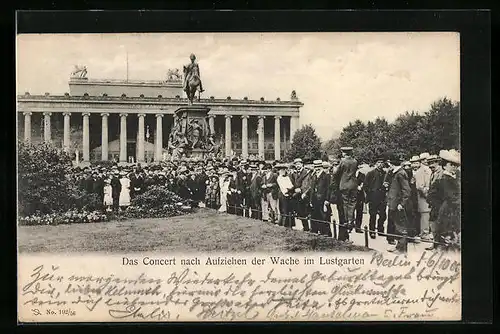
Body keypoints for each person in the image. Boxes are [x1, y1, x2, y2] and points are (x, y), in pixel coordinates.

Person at [432, 149, 461, 250]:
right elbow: (452, 197)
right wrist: (440, 207)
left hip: (452, 211)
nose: (454, 167)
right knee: (447, 238)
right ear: (445, 165)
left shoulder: (454, 178)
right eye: (452, 164)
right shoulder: (444, 179)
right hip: (448, 212)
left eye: (456, 165)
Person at [386, 157, 412, 253]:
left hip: (398, 205)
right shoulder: (397, 173)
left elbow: (407, 190)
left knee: (400, 226)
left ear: (392, 164)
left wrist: (402, 203)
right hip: (394, 203)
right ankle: (399, 246)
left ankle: (402, 249)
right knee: (397, 225)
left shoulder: (400, 173)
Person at [336, 146, 358, 241]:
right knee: (352, 203)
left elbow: (337, 173)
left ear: (344, 153)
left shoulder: (343, 161)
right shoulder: (355, 161)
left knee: (345, 203)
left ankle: (346, 220)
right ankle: (351, 220)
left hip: (344, 185)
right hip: (353, 185)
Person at [363, 157, 388, 239]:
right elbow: (365, 186)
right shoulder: (370, 173)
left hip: (382, 197)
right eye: (378, 162)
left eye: (382, 162)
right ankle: (372, 231)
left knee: (383, 215)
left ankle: (380, 230)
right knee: (373, 215)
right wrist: (370, 193)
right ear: (375, 164)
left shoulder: (385, 173)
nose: (380, 164)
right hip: (373, 197)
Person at [310, 160, 332, 237]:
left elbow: (329, 189)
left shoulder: (326, 176)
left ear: (322, 167)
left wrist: (327, 200)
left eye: (318, 167)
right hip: (314, 200)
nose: (317, 169)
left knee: (324, 217)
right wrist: (310, 200)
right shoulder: (313, 176)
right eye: (315, 167)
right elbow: (312, 189)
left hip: (322, 200)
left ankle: (326, 233)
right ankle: (315, 231)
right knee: (315, 216)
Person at [290, 158, 312, 232]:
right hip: (297, 194)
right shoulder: (295, 173)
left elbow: (307, 184)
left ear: (302, 164)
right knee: (299, 211)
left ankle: (307, 228)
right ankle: (304, 227)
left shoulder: (306, 172)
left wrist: (301, 190)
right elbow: (294, 183)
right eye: (296, 164)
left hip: (304, 194)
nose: (297, 165)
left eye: (299, 164)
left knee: (304, 212)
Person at [414, 155, 432, 240]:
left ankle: (426, 232)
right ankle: (424, 233)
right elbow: (420, 186)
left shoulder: (427, 169)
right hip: (424, 197)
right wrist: (427, 195)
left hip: (428, 196)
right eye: (425, 159)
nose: (427, 161)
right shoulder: (421, 171)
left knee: (427, 215)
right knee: (425, 214)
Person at [276, 164, 294, 228]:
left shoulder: (287, 177)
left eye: (284, 170)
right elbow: (283, 187)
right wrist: (287, 190)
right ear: (279, 171)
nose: (283, 171)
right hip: (283, 195)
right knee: (283, 209)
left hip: (288, 194)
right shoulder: (279, 178)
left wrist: (289, 189)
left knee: (288, 209)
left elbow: (291, 185)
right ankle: (283, 224)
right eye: (281, 170)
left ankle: (289, 224)